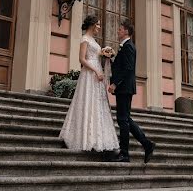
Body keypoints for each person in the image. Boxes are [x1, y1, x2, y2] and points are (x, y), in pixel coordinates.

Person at [59, 14, 119, 152]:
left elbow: (96, 57)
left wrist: (106, 55)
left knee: (96, 104)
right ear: (92, 25)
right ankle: (84, 138)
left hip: (97, 74)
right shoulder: (85, 39)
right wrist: (95, 71)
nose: (99, 27)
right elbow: (82, 59)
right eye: (97, 24)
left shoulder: (94, 40)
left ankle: (96, 138)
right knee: (87, 102)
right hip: (89, 74)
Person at [108, 19, 155, 163]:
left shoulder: (128, 47)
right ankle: (147, 144)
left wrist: (115, 83)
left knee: (123, 120)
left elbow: (128, 69)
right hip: (125, 88)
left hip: (124, 88)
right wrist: (110, 58)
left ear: (126, 32)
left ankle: (125, 153)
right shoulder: (125, 47)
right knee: (125, 119)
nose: (118, 31)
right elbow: (121, 66)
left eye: (120, 29)